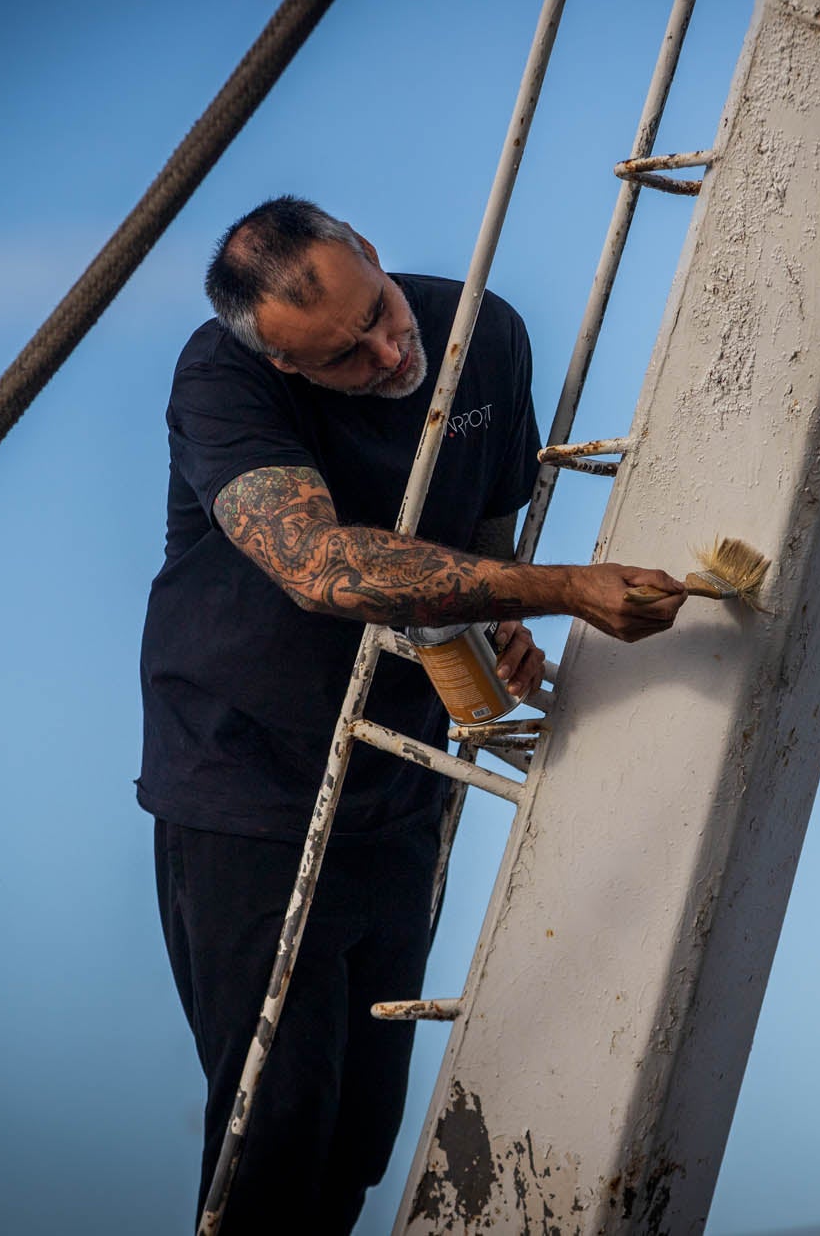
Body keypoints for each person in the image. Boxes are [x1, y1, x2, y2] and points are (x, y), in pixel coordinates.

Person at [137, 196, 687, 1232]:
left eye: (384, 312)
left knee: (357, 1139)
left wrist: (514, 612)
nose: (392, 354)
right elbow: (318, 565)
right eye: (347, 358)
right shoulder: (218, 379)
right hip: (246, 787)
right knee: (276, 1126)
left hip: (395, 782)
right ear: (284, 368)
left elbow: (491, 543)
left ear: (375, 255)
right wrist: (559, 590)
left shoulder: (484, 330)